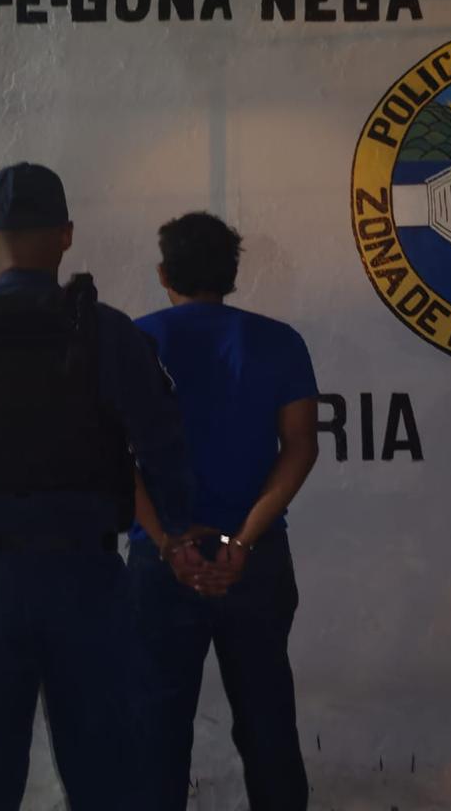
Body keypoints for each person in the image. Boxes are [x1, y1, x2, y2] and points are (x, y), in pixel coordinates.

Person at [0, 163, 201, 811]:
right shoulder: (111, 333)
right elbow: (168, 459)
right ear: (66, 235)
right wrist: (171, 535)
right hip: (89, 582)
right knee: (110, 773)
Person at [128, 211, 320, 811]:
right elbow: (301, 447)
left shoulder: (133, 341)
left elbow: (108, 454)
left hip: (161, 563)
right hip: (256, 562)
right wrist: (242, 542)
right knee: (268, 726)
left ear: (164, 273)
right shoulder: (280, 342)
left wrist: (168, 541)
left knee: (154, 734)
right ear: (233, 274)